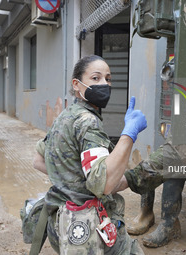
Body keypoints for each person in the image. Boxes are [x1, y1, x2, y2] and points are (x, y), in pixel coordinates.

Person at [33, 55, 147, 254]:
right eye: (96, 78)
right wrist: (129, 134)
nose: (104, 84)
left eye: (108, 79)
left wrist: (70, 183)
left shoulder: (67, 115)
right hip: (88, 224)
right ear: (77, 85)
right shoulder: (88, 122)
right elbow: (104, 184)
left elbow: (39, 160)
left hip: (60, 220)